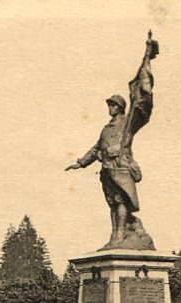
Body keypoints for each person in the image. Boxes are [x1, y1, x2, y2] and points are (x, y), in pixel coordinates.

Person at [64, 33, 159, 250]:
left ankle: (120, 234)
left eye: (114, 105)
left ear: (121, 107)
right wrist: (80, 163)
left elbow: (141, 102)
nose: (110, 108)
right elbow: (96, 148)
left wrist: (146, 59)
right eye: (109, 105)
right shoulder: (106, 129)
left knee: (122, 200)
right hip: (107, 168)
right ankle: (115, 234)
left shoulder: (128, 123)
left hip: (121, 166)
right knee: (113, 202)